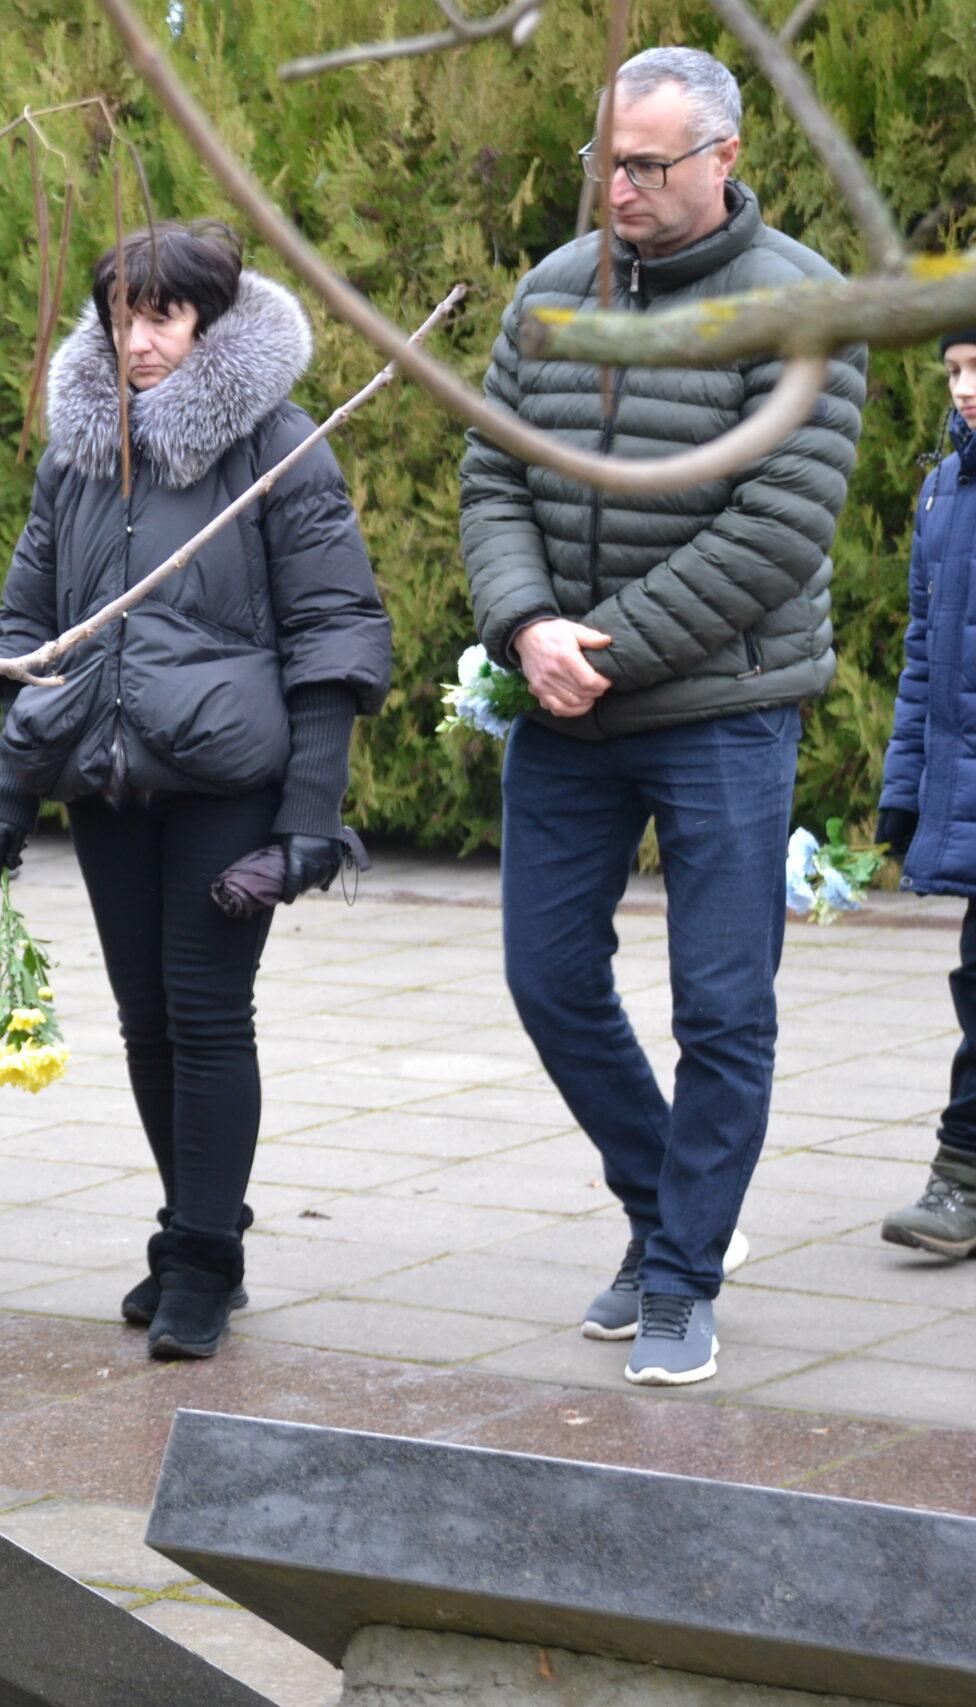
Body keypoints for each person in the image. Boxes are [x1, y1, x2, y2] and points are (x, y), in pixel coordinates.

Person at [460, 46, 869, 1386]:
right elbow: (492, 480)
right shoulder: (553, 291)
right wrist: (527, 629)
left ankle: (684, 1274)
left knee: (723, 1004)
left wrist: (606, 649)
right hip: (563, 700)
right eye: (609, 162)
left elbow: (776, 528)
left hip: (722, 709)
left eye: (648, 165)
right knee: (546, 976)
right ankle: (667, 1206)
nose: (619, 187)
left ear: (726, 160)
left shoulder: (805, 304)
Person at [0, 220, 391, 1360]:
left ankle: (201, 1260)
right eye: (121, 314)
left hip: (224, 782)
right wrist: (12, 789)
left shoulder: (277, 444)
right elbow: (31, 631)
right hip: (105, 788)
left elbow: (332, 631)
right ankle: (196, 1231)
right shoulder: (77, 455)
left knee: (208, 1019)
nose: (138, 340)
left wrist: (310, 812)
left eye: (161, 315)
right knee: (146, 1025)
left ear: (209, 320)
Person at [872, 327, 976, 1261]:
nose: (967, 387)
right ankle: (964, 1179)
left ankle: (962, 1174)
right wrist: (905, 792)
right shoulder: (945, 493)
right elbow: (923, 659)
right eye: (955, 370)